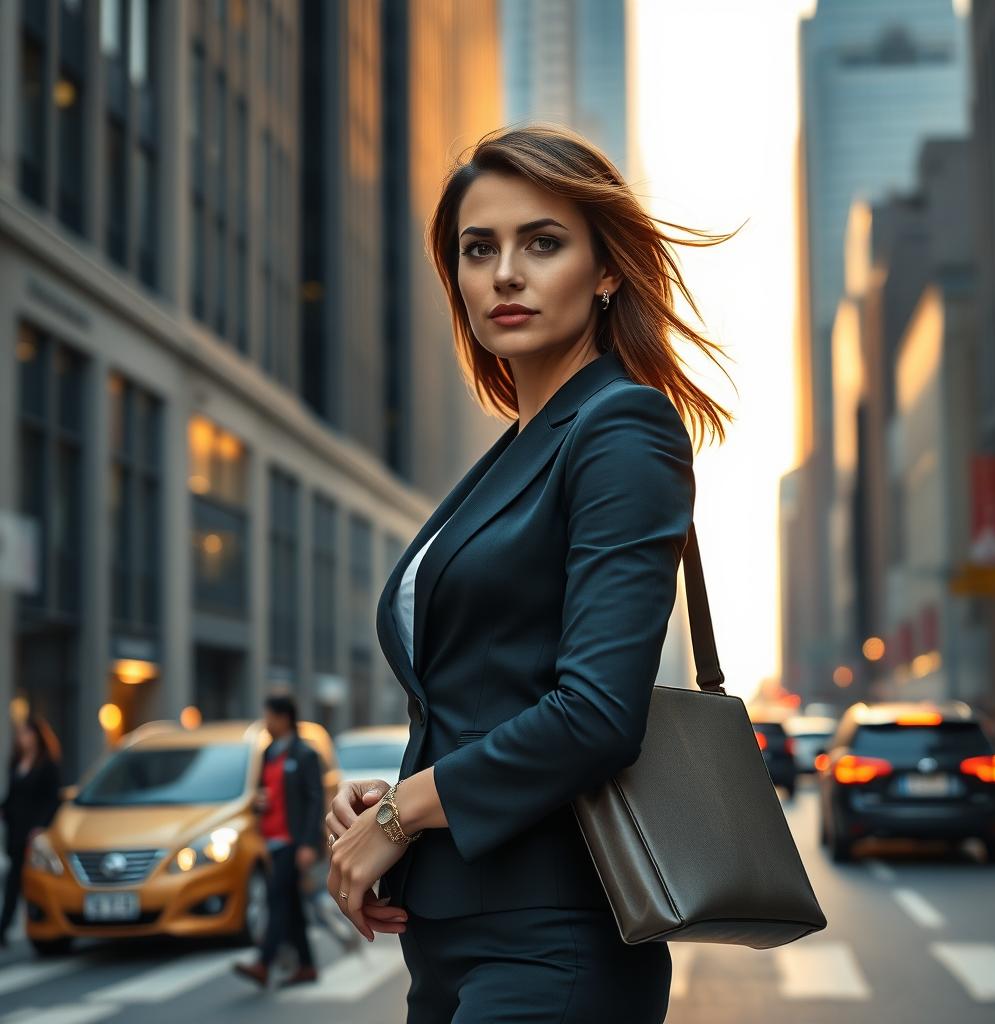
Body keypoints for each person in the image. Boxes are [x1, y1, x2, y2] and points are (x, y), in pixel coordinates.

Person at [324, 123, 736, 1022]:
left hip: (556, 942)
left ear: (606, 270)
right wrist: (389, 804)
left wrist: (405, 815)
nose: (505, 272)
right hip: (450, 940)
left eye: (541, 243)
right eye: (479, 250)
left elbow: (595, 715)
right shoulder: (517, 451)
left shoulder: (623, 428)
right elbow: (483, 692)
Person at [233, 693, 324, 988]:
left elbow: (315, 802)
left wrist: (309, 844)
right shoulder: (269, 753)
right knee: (292, 905)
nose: (267, 723)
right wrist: (260, 803)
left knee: (276, 899)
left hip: (293, 843)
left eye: (270, 717)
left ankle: (264, 962)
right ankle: (307, 966)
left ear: (284, 718)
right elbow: (263, 792)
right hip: (271, 840)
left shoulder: (305, 755)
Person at [1, 715, 62, 948]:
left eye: (26, 734)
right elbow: (13, 795)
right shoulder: (17, 761)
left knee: (28, 881)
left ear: (37, 736)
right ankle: (12, 925)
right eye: (20, 734)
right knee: (14, 880)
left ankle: (37, 922)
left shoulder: (47, 764)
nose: (22, 739)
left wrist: (41, 826)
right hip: (16, 830)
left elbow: (52, 799)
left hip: (33, 833)